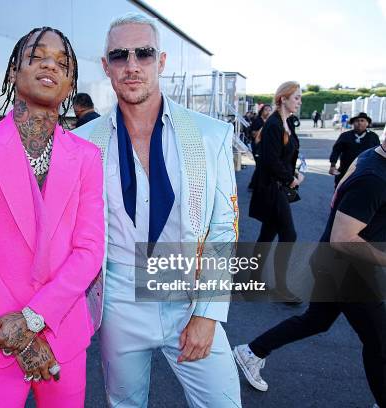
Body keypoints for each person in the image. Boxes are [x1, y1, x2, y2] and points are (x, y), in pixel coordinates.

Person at [73, 13, 241, 407]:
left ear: (161, 62)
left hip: (189, 298)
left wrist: (208, 313)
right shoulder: (80, 143)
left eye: (143, 54)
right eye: (119, 56)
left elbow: (222, 231)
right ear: (106, 67)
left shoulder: (210, 135)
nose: (132, 66)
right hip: (118, 300)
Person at [0, 27, 104, 408]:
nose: (51, 63)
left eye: (63, 62)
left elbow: (90, 249)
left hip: (62, 334)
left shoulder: (86, 157)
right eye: (38, 56)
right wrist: (21, 337)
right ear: (14, 71)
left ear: (69, 85)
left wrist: (34, 319)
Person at [234, 138, 386, 407]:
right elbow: (344, 237)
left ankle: (251, 351)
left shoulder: (370, 155)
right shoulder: (375, 178)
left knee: (317, 321)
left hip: (332, 264)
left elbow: (341, 198)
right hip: (348, 272)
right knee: (379, 341)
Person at [248, 81, 304, 303]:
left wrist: (295, 173)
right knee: (288, 235)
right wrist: (291, 178)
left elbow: (284, 156)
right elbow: (270, 160)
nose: (299, 102)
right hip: (273, 188)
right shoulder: (273, 124)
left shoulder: (287, 122)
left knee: (267, 235)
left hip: (278, 186)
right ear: (283, 99)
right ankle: (281, 288)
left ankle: (252, 283)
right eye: (297, 97)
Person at [329, 112, 380, 187]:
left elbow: (378, 152)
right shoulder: (345, 136)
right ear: (353, 123)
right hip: (346, 170)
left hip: (366, 172)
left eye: (362, 120)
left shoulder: (373, 137)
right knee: (341, 192)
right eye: (357, 121)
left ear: (367, 123)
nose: (359, 123)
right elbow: (336, 150)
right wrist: (332, 165)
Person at [248, 104, 272, 191]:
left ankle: (255, 185)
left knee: (261, 166)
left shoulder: (270, 121)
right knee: (259, 165)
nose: (268, 112)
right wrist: (264, 127)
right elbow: (254, 134)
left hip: (265, 146)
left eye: (270, 110)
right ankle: (253, 185)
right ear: (262, 111)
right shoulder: (257, 120)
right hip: (257, 146)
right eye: (266, 110)